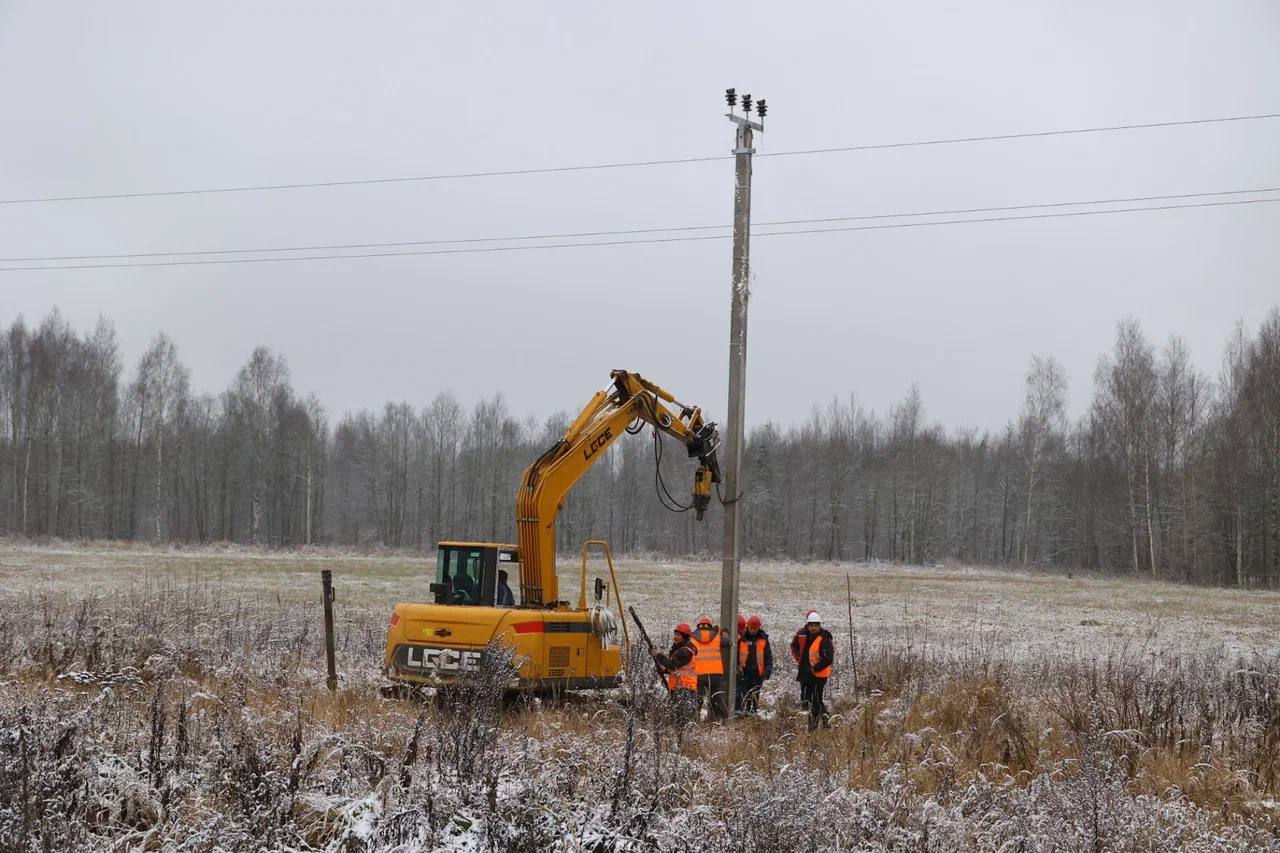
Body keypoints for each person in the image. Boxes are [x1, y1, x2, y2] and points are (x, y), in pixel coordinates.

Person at [791, 610, 833, 730]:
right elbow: (795, 646)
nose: (813, 627)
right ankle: (824, 723)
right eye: (811, 625)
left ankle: (816, 726)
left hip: (819, 675)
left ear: (819, 625)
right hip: (806, 673)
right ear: (808, 625)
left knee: (815, 699)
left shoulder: (824, 638)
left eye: (816, 625)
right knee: (808, 699)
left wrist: (815, 668)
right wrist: (798, 658)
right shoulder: (804, 635)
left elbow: (828, 658)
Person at [652, 623, 698, 723]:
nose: (675, 637)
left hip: (684, 688)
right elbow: (675, 669)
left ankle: (684, 736)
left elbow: (673, 665)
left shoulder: (685, 651)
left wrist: (658, 655)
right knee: (678, 718)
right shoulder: (680, 650)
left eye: (678, 635)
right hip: (679, 687)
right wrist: (664, 670)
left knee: (682, 718)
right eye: (675, 634)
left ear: (684, 637)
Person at [736, 614, 773, 715]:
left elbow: (768, 657)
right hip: (743, 673)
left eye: (755, 628)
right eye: (751, 628)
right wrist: (736, 667)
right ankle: (739, 717)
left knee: (754, 697)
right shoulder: (741, 638)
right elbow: (735, 654)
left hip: (757, 675)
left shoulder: (764, 640)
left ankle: (751, 717)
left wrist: (767, 671)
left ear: (758, 628)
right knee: (740, 696)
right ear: (747, 626)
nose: (753, 630)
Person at [689, 614, 725, 714]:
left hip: (698, 674)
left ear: (698, 627)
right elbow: (727, 642)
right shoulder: (717, 636)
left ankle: (695, 719)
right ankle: (719, 721)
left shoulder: (691, 638)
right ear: (710, 626)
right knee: (717, 699)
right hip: (716, 674)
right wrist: (722, 632)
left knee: (698, 700)